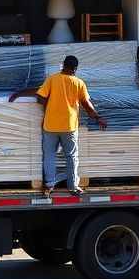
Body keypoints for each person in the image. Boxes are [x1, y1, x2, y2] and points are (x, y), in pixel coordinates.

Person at [9, 55, 107, 196]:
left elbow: (40, 96)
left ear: (63, 65)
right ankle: (73, 186)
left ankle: (49, 185)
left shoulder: (52, 79)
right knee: (71, 156)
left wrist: (49, 106)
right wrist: (98, 118)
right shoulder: (79, 83)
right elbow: (87, 104)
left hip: (51, 125)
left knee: (49, 155)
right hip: (69, 126)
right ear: (75, 68)